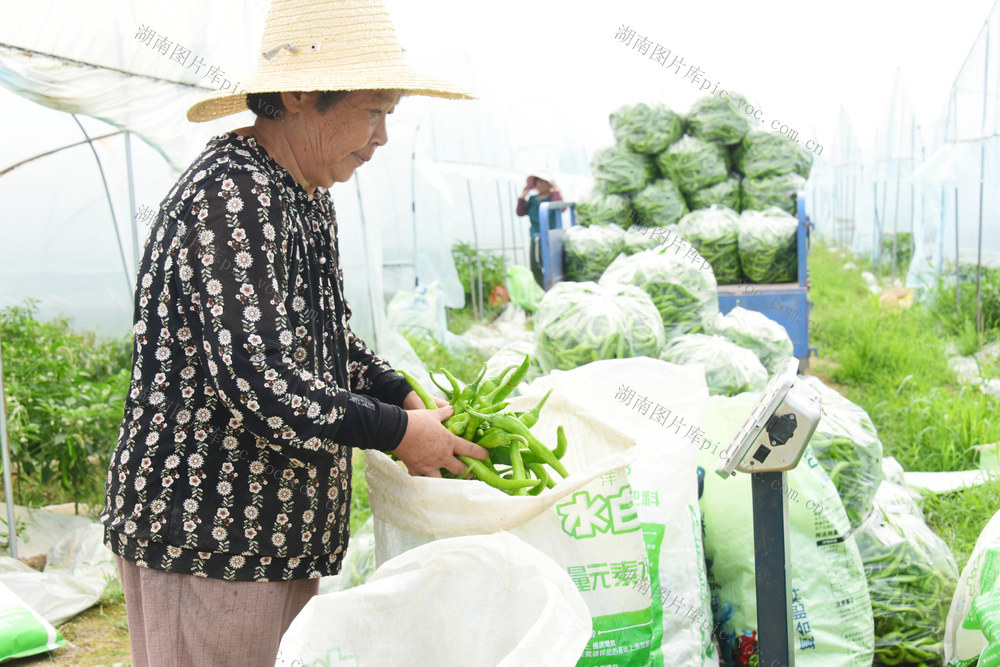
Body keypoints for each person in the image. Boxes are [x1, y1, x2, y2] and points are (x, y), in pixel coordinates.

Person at [99, 1, 486, 665]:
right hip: (211, 537)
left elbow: (326, 338)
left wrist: (397, 390)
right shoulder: (233, 194)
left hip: (271, 534)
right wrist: (396, 432)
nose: (383, 136)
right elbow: (259, 379)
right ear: (300, 94)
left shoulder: (301, 193)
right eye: (374, 111)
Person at [515, 170, 562, 287]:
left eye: (544, 182)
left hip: (551, 238)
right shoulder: (532, 200)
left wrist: (556, 190)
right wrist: (523, 196)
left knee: (553, 267)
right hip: (535, 237)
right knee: (535, 266)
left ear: (549, 184)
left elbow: (562, 208)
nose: (541, 185)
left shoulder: (553, 198)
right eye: (538, 182)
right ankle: (544, 289)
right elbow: (520, 212)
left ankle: (555, 288)